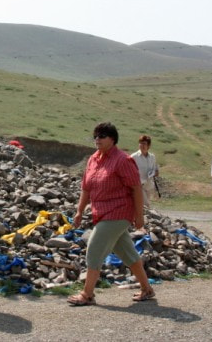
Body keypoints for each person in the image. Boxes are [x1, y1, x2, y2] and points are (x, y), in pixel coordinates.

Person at [67, 122, 155, 306]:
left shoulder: (122, 160)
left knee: (94, 249)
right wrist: (79, 211)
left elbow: (136, 188)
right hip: (101, 212)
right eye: (95, 136)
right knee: (127, 252)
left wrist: (139, 216)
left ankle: (87, 294)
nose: (97, 139)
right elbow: (86, 188)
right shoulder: (93, 159)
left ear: (112, 139)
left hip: (119, 212)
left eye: (102, 136)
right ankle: (147, 289)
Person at [130, 135, 159, 207]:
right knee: (146, 205)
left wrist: (155, 172)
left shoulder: (152, 157)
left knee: (144, 207)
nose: (142, 145)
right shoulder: (134, 157)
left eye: (144, 144)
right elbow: (129, 171)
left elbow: (155, 169)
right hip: (139, 186)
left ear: (148, 146)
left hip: (149, 186)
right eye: (140, 143)